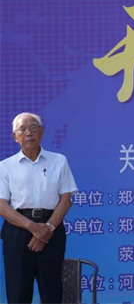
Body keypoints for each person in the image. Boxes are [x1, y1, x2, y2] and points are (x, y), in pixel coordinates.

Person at [0, 112, 77, 303]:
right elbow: (2, 206)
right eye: (22, 129)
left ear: (41, 132)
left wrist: (47, 229)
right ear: (15, 136)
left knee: (52, 292)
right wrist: (33, 228)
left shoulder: (58, 161)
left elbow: (66, 200)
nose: (28, 133)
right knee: (18, 292)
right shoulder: (5, 166)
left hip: (51, 229)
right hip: (18, 231)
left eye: (33, 127)